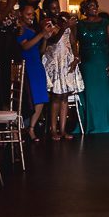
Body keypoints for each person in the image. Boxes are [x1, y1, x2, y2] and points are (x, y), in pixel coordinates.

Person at [75, 0, 109, 134]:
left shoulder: (105, 23)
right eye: (91, 6)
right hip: (87, 64)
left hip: (103, 62)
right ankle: (90, 124)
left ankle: (107, 124)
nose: (95, 8)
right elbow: (72, 43)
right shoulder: (79, 24)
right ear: (85, 9)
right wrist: (76, 57)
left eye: (96, 5)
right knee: (89, 93)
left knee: (104, 93)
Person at [42, 10, 84, 140]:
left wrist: (76, 57)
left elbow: (73, 44)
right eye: (63, 19)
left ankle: (63, 129)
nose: (66, 22)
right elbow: (53, 41)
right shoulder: (52, 29)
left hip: (66, 64)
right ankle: (53, 129)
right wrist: (64, 28)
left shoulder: (69, 30)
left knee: (65, 97)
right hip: (55, 65)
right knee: (56, 97)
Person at [17, 0, 55, 141]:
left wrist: (45, 38)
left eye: (33, 14)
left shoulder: (34, 30)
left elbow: (41, 50)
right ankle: (23, 128)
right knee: (28, 98)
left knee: (41, 98)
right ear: (20, 14)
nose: (31, 17)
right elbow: (25, 47)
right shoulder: (19, 28)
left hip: (37, 65)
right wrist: (41, 34)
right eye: (28, 14)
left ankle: (31, 128)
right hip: (26, 66)